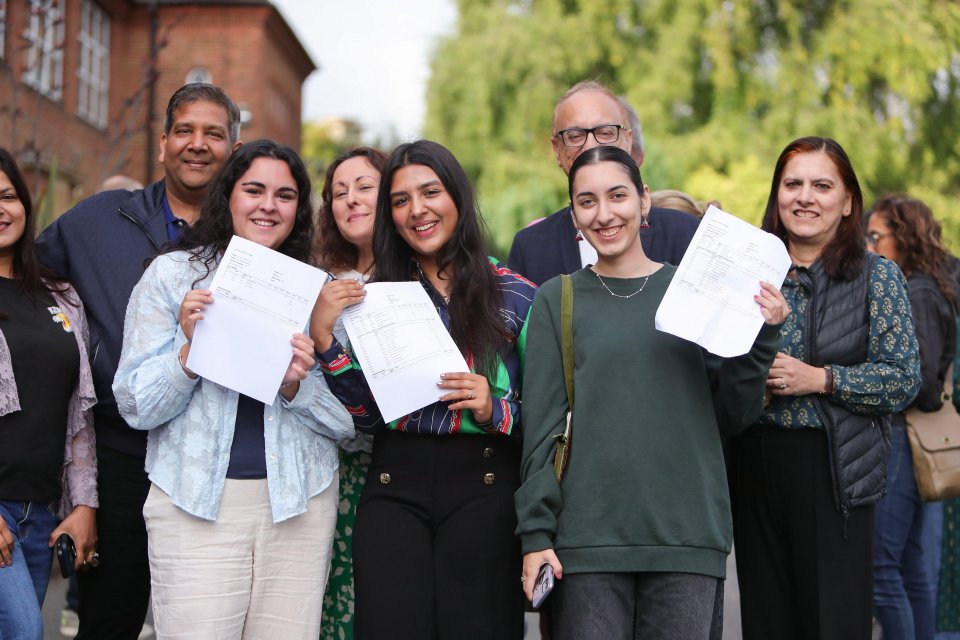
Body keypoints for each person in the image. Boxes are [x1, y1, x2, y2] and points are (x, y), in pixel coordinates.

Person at [514, 146, 787, 640]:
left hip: (686, 534)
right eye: (587, 201)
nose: (604, 213)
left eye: (617, 195)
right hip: (589, 541)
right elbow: (542, 429)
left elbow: (732, 413)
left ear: (644, 202)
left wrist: (763, 337)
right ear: (574, 214)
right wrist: (535, 534)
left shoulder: (695, 290)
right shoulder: (558, 298)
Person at [113, 139, 353, 638]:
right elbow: (134, 404)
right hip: (194, 503)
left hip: (299, 506)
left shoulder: (318, 289)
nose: (268, 205)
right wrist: (189, 355)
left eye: (285, 195)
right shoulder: (172, 276)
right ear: (228, 197)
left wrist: (296, 387)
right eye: (254, 190)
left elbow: (353, 423)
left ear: (299, 209)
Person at [37, 82, 241, 640]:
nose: (197, 145)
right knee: (109, 618)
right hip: (120, 455)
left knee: (202, 622)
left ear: (233, 147)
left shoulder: (252, 237)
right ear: (163, 144)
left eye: (214, 134)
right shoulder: (96, 221)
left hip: (210, 462)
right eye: (185, 131)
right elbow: (25, 277)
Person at [312, 139, 536, 639]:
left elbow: (550, 423)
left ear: (457, 196)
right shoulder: (375, 297)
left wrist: (494, 407)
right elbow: (367, 418)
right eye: (400, 200)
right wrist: (326, 341)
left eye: (430, 192)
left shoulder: (518, 294)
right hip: (394, 485)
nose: (418, 210)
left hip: (485, 487)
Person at [728, 136, 922, 640]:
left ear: (848, 201)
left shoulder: (877, 277)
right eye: (792, 184)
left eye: (822, 185)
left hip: (833, 471)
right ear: (777, 195)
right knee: (766, 622)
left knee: (830, 623)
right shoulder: (748, 275)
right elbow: (715, 368)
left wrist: (821, 379)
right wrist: (755, 386)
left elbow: (903, 378)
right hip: (755, 465)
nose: (805, 197)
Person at [0, 149, 97, 639]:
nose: (0, 209)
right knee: (24, 631)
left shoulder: (61, 295)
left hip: (40, 512)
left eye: (7, 196)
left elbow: (79, 415)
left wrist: (84, 506)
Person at [866, 194, 958, 640]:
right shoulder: (932, 285)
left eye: (876, 235)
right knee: (911, 566)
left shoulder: (918, 291)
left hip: (905, 436)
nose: (870, 244)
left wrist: (877, 381)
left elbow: (921, 382)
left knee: (883, 569)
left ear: (902, 235)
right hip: (914, 439)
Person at [507, 81, 698, 286]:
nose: (591, 146)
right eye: (575, 136)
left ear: (628, 140)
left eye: (605, 132)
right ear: (556, 149)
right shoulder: (530, 248)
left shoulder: (687, 236)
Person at [313, 146, 388, 639]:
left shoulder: (423, 281)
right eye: (339, 193)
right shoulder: (318, 281)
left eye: (364, 187)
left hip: (401, 470)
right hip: (332, 476)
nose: (351, 200)